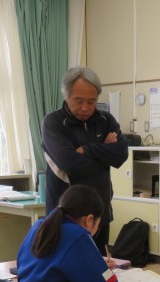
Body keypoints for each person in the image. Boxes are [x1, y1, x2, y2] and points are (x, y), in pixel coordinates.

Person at [41, 66, 129, 256]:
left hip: (99, 214)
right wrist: (105, 154)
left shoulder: (105, 120)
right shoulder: (53, 122)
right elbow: (71, 164)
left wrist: (88, 150)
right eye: (79, 101)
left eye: (92, 101)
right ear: (66, 96)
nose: (85, 108)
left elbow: (121, 155)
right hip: (65, 217)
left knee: (99, 268)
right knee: (67, 268)